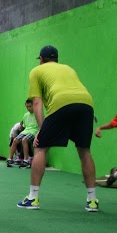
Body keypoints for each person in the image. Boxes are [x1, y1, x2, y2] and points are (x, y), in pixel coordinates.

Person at [18, 45, 100, 212]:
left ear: (41, 59)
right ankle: (92, 200)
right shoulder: (68, 69)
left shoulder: (36, 71)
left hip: (61, 103)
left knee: (40, 147)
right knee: (84, 152)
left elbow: (37, 103)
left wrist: (41, 131)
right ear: (57, 59)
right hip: (86, 104)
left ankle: (32, 198)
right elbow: (77, 94)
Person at [7, 98, 39, 168]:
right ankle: (10, 159)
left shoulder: (38, 114)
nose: (28, 108)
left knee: (24, 140)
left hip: (34, 132)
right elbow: (24, 127)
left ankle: (26, 160)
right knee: (15, 140)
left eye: (30, 106)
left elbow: (41, 126)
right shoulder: (25, 115)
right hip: (26, 131)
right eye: (27, 107)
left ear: (33, 105)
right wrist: (21, 129)